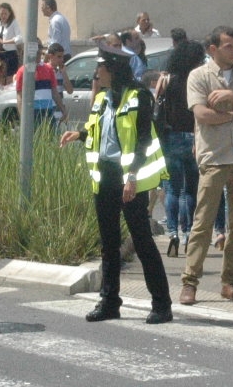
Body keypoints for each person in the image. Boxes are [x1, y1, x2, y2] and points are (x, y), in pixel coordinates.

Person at [59, 50, 172, 324]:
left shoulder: (139, 97)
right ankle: (109, 302)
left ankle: (162, 305)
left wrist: (132, 176)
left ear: (113, 70)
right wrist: (79, 135)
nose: (96, 73)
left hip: (129, 178)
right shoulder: (101, 99)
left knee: (142, 240)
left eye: (100, 68)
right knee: (108, 243)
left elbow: (143, 140)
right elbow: (101, 133)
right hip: (105, 176)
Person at [178, 26, 233, 306]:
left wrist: (232, 98)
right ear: (213, 49)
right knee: (203, 223)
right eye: (229, 46)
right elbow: (202, 114)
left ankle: (230, 282)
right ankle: (190, 282)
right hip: (214, 156)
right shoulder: (199, 76)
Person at [155, 38, 205, 257]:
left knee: (173, 189)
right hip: (194, 136)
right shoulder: (198, 81)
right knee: (191, 189)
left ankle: (173, 232)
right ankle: (188, 233)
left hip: (171, 136)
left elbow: (157, 104)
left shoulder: (169, 81)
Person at [13, 46, 62, 127]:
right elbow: (19, 96)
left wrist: (63, 110)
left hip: (48, 112)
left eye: (39, 52)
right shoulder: (22, 71)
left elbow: (54, 92)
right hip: (32, 112)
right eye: (37, 53)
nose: (39, 55)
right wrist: (23, 117)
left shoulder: (48, 69)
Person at [0, 2, 22, 76]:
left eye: (5, 14)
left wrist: (4, 42)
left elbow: (19, 38)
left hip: (10, 54)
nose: (3, 16)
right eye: (1, 14)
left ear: (9, 13)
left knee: (10, 76)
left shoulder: (13, 23)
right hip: (0, 55)